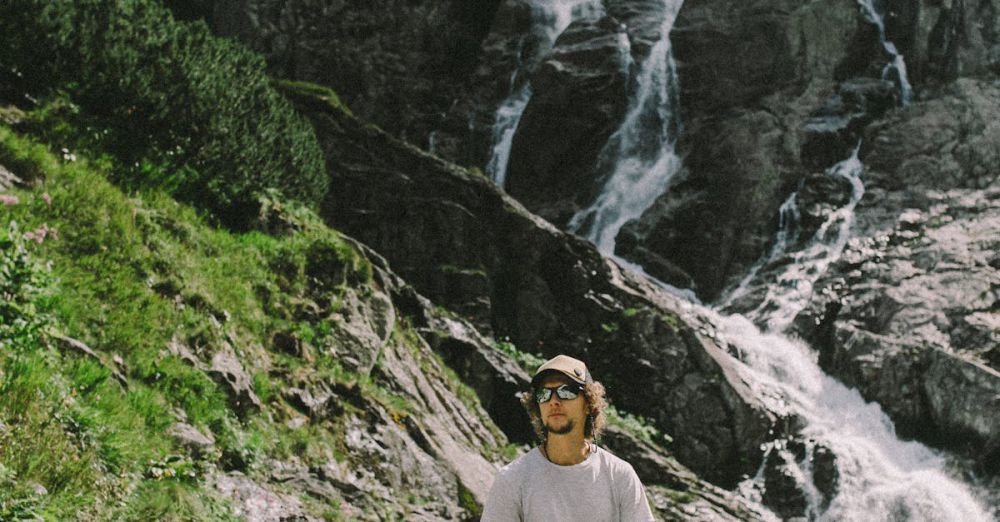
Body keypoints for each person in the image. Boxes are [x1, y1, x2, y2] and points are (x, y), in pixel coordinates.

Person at [481, 354, 655, 521]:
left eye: (566, 391)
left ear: (588, 403)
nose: (553, 401)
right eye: (544, 394)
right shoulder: (512, 480)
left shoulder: (619, 476)